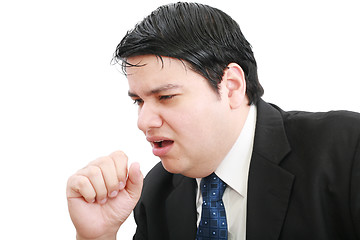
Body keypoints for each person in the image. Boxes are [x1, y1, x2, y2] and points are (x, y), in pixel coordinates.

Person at [66, 2, 360, 240]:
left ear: (231, 86)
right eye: (138, 101)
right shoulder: (155, 192)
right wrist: (98, 236)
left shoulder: (346, 150)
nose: (143, 121)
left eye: (166, 97)